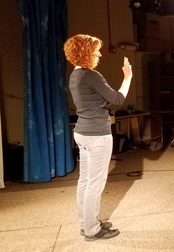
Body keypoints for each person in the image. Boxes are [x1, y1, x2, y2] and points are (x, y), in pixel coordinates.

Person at [64, 34, 132, 241]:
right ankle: (93, 230)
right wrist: (127, 76)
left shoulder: (75, 75)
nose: (99, 54)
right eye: (96, 50)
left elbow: (94, 102)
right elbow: (118, 99)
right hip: (96, 136)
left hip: (82, 133)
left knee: (85, 181)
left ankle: (86, 224)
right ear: (85, 52)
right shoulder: (91, 75)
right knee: (95, 183)